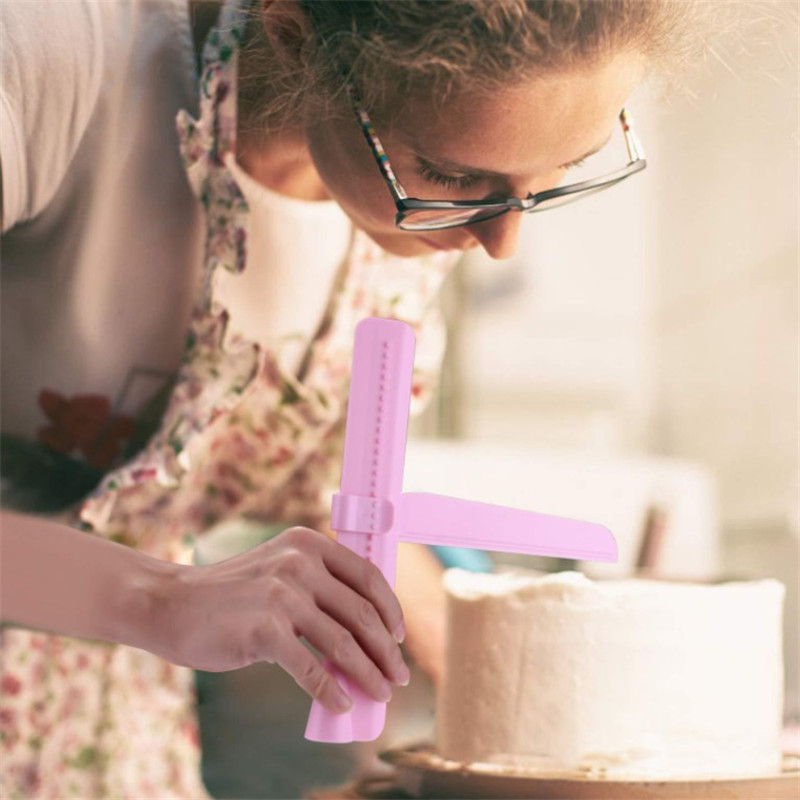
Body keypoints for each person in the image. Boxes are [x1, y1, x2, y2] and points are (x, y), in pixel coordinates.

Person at [0, 0, 704, 796]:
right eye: (455, 175)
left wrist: (523, 673)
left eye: (560, 172)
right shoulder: (51, 54)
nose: (502, 242)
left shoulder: (401, 228)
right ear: (295, 32)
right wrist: (156, 599)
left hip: (109, 739)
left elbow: (348, 511)